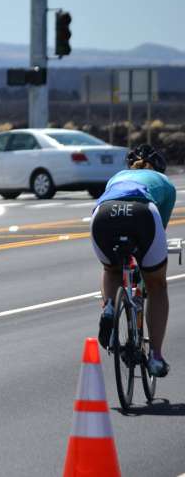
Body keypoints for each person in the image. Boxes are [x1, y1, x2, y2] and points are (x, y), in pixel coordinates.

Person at [90, 144, 176, 377]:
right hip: (142, 212)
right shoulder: (165, 183)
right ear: (160, 168)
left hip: (103, 214)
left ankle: (109, 307)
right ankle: (156, 357)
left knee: (111, 269)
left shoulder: (117, 177)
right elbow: (159, 231)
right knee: (157, 285)